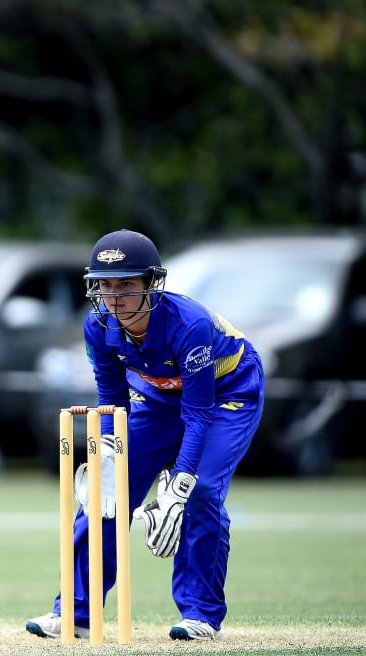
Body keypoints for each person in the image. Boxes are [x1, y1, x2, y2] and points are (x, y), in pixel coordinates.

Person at [25, 229, 264, 641]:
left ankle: (201, 616)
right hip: (158, 397)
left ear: (152, 283)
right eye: (106, 284)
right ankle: (76, 612)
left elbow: (199, 411)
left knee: (202, 492)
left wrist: (182, 481)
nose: (114, 296)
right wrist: (107, 462)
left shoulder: (190, 325)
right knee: (103, 495)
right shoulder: (98, 326)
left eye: (127, 284)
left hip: (227, 395)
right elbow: (112, 401)